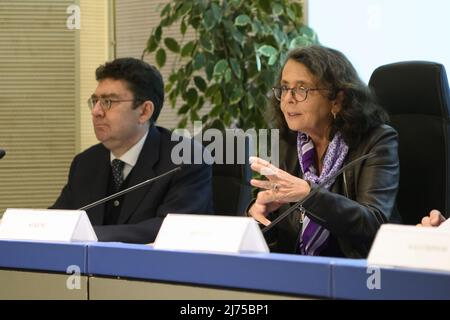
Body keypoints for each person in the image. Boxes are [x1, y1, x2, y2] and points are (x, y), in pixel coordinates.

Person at [247, 45, 400, 258]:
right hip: (298, 273)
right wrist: (259, 216)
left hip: (358, 274)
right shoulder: (287, 143)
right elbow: (284, 239)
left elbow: (373, 224)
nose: (288, 98)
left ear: (337, 100)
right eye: (284, 88)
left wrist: (310, 195)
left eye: (302, 89)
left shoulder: (376, 141)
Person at [51, 57, 213, 243]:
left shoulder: (186, 160)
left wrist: (87, 236)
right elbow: (59, 219)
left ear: (144, 112)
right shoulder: (86, 162)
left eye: (108, 102)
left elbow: (173, 229)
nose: (96, 111)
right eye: (95, 101)